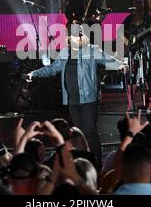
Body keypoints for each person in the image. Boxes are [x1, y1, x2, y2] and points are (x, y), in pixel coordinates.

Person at [25, 27, 127, 161]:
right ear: (69, 38)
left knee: (90, 132)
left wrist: (121, 64)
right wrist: (34, 74)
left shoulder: (91, 50)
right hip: (72, 100)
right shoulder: (64, 53)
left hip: (89, 99)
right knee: (79, 134)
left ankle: (96, 162)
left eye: (79, 35)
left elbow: (107, 59)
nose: (77, 38)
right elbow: (51, 69)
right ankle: (83, 160)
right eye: (74, 36)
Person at [119, 0, 151, 108]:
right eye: (136, 2)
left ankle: (150, 103)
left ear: (145, 5)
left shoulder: (149, 19)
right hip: (131, 52)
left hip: (145, 51)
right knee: (131, 77)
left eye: (140, 2)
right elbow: (120, 32)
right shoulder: (129, 18)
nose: (137, 5)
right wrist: (127, 42)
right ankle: (131, 103)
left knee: (147, 76)